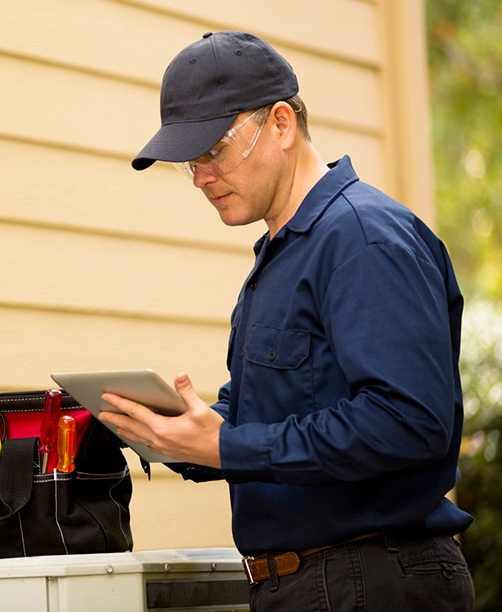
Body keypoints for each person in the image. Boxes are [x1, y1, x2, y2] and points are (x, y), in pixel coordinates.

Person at [100, 31, 474, 610]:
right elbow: (266, 419)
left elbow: (408, 422)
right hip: (312, 584)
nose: (200, 177)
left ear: (280, 123)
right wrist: (173, 434)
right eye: (189, 162)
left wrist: (230, 447)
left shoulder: (363, 238)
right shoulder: (283, 252)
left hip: (368, 579)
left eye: (213, 151)